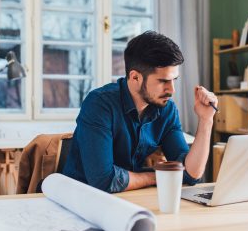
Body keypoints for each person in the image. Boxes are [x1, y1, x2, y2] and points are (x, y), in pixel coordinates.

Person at [63, 31, 218, 193]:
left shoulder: (166, 109)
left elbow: (191, 174)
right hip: (80, 198)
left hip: (127, 197)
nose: (172, 90)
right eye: (163, 81)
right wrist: (159, 176)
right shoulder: (99, 104)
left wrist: (206, 120)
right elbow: (103, 180)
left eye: (174, 80)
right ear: (135, 77)